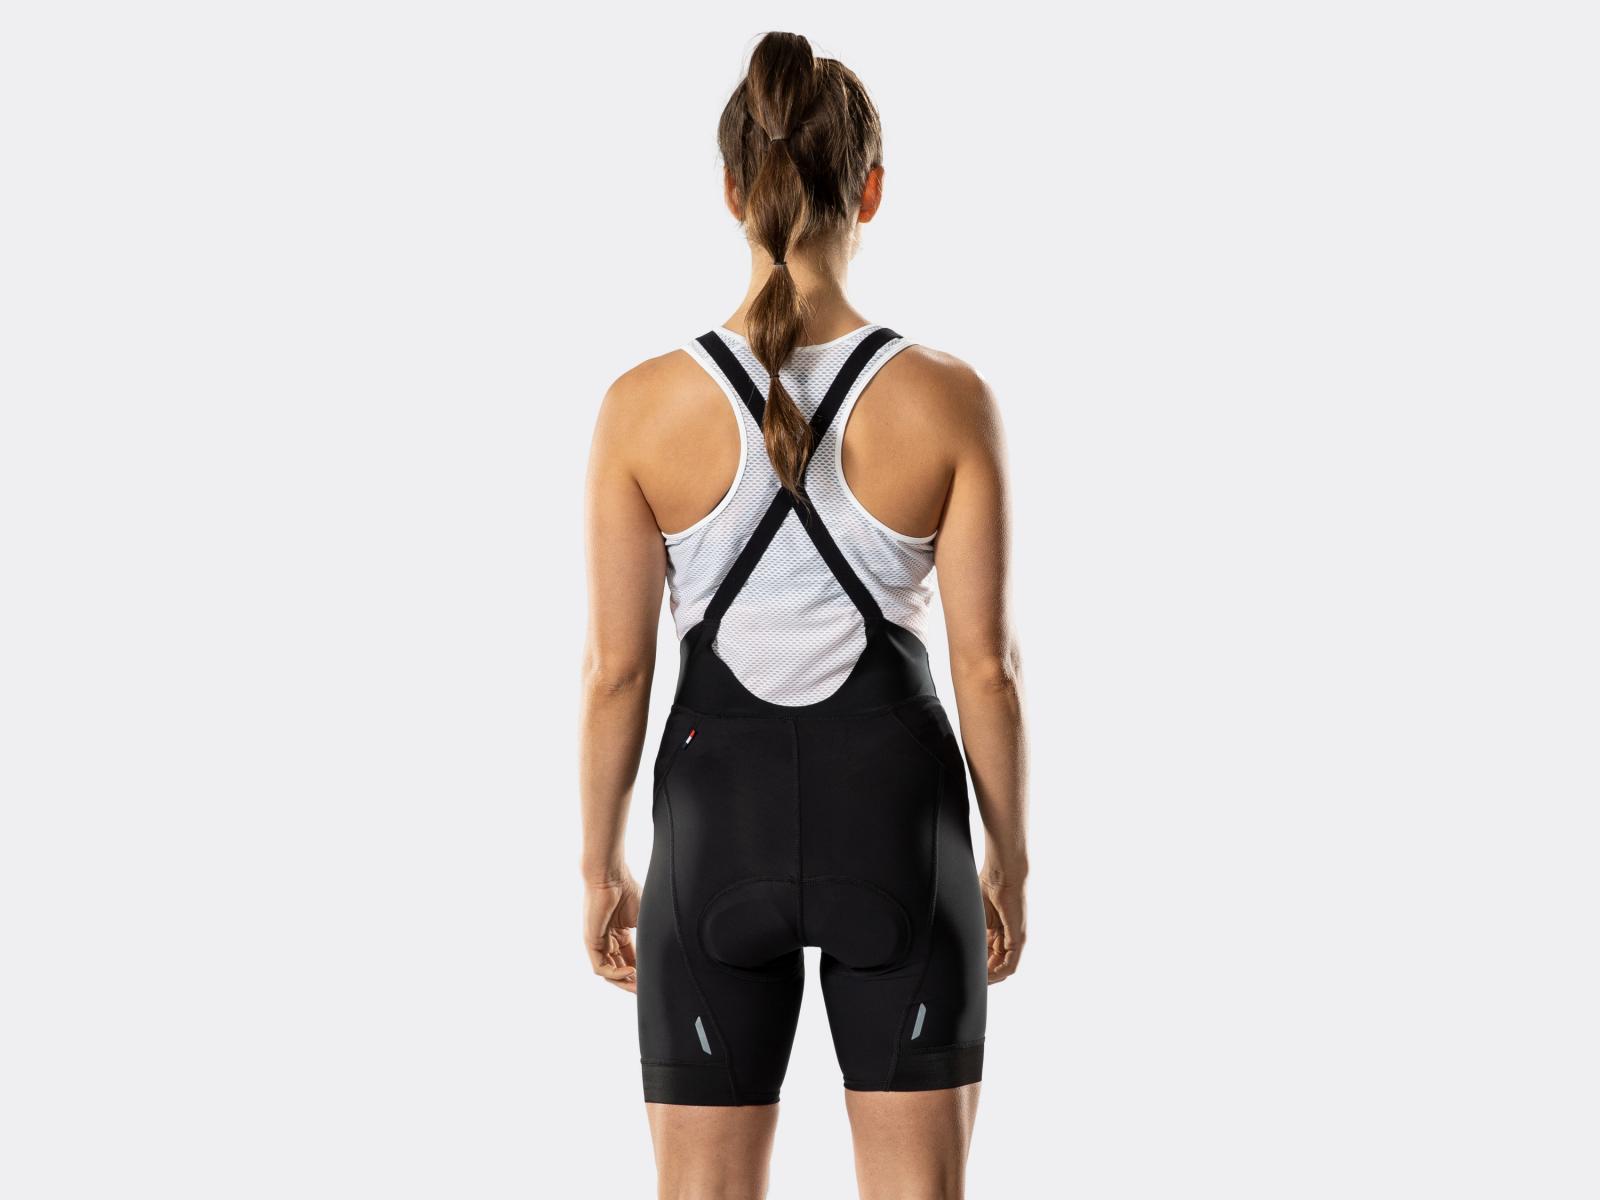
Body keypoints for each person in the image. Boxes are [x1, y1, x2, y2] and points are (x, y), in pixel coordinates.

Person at [578, 30, 1030, 1200]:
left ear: (734, 191)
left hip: (711, 831)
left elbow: (616, 673)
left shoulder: (640, 407)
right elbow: (986, 668)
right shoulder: (947, 399)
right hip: (897, 825)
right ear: (869, 189)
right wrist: (1008, 859)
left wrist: (600, 866)